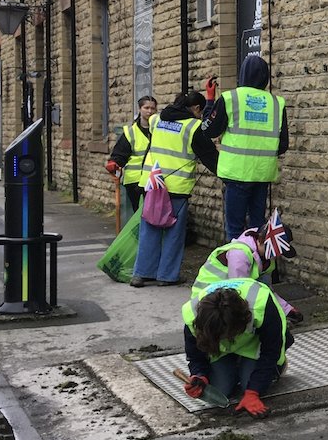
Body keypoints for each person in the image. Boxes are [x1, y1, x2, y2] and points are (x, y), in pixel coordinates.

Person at [130, 91, 219, 288]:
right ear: (196, 108)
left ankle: (141, 274)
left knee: (149, 229)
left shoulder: (156, 120)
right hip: (176, 187)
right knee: (174, 233)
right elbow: (210, 156)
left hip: (152, 183)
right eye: (200, 112)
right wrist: (227, 173)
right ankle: (167, 276)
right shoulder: (193, 126)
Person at [200, 55, 289, 241]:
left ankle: (237, 260)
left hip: (236, 173)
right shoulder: (276, 103)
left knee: (235, 230)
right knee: (257, 229)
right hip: (262, 173)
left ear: (242, 75)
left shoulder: (230, 98)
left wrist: (209, 101)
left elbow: (208, 130)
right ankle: (256, 260)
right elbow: (283, 145)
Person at [182, 278, 293, 418]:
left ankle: (277, 367)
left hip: (253, 343)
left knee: (252, 384)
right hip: (220, 349)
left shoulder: (262, 306)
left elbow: (271, 352)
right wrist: (199, 376)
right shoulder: (193, 318)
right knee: (220, 390)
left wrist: (253, 392)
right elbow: (195, 356)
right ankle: (237, 366)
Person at [190, 209, 304, 325]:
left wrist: (287, 310)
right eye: (275, 251)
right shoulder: (240, 255)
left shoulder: (265, 259)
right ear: (262, 241)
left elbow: (264, 291)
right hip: (206, 303)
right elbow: (240, 292)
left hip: (222, 299)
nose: (276, 255)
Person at [106, 95, 158, 212]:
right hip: (135, 180)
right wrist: (114, 163)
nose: (150, 111)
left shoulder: (160, 130)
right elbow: (120, 154)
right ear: (139, 109)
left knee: (152, 213)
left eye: (153, 108)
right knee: (140, 212)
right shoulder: (131, 132)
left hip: (154, 178)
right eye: (146, 108)